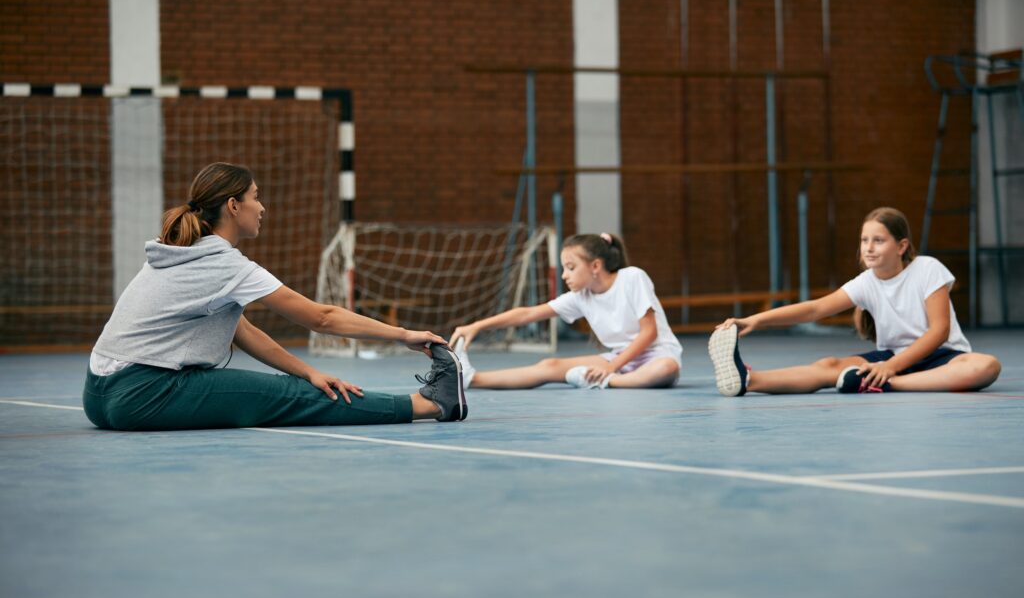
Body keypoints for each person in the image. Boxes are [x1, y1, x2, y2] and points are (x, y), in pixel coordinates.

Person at [83, 162, 466, 431]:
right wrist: (403, 335)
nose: (262, 207)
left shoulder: (178, 250)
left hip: (98, 397)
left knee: (300, 384)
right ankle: (430, 405)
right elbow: (322, 318)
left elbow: (242, 331)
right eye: (255, 196)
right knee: (288, 396)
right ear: (233, 206)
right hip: (143, 393)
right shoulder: (223, 264)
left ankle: (422, 403)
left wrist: (310, 371)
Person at [708, 207, 1001, 396]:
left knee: (985, 366)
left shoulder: (927, 268)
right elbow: (815, 308)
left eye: (878, 240)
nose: (869, 248)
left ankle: (886, 385)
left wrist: (891, 371)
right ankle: (749, 380)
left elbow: (938, 331)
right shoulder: (866, 282)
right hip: (890, 357)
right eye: (864, 241)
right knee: (829, 365)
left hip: (942, 358)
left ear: (901, 246)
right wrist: (756, 320)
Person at [449, 233, 682, 390]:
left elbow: (649, 332)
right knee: (549, 366)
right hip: (620, 360)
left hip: (656, 355)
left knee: (666, 369)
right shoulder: (581, 297)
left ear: (595, 266)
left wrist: (610, 369)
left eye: (571, 268)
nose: (564, 275)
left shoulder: (632, 277)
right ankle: (472, 379)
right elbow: (527, 314)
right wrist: (477, 326)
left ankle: (607, 382)